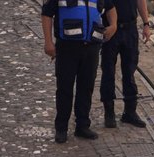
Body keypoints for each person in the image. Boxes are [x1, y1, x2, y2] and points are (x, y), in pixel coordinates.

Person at [42, 0, 117, 143]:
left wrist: (113, 26)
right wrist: (48, 42)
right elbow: (46, 14)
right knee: (65, 88)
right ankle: (61, 128)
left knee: (86, 87)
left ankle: (82, 126)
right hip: (67, 47)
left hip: (92, 46)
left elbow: (111, 8)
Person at [100, 0, 151, 129]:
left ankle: (130, 111)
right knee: (108, 71)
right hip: (110, 29)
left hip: (130, 28)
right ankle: (109, 112)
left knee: (129, 71)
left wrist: (146, 23)